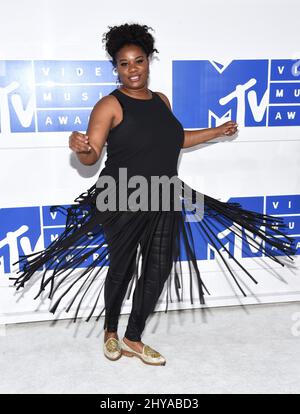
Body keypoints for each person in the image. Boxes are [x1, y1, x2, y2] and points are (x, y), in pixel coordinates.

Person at [12, 23, 296, 367]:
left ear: (149, 61)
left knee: (159, 268)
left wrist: (217, 132)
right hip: (121, 198)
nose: (132, 69)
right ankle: (111, 332)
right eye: (124, 63)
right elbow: (90, 156)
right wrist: (80, 148)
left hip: (163, 195)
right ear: (115, 68)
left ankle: (133, 337)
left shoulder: (161, 101)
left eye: (138, 61)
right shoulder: (109, 105)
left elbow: (174, 139)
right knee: (123, 266)